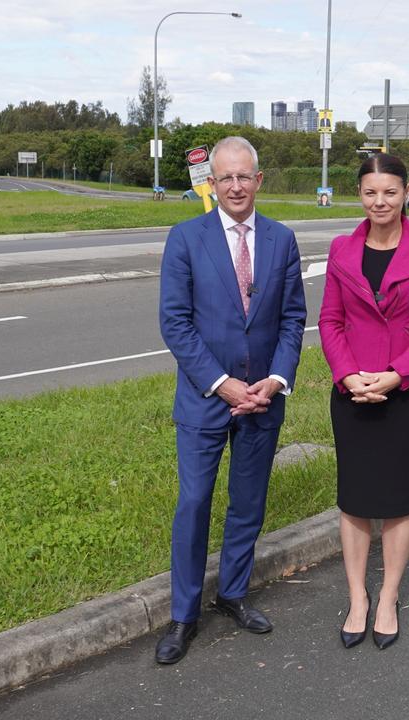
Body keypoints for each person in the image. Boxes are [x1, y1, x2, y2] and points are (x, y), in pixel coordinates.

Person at [155, 136, 307, 664]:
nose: (236, 186)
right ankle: (183, 615)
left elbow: (292, 320)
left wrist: (277, 380)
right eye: (226, 178)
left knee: (248, 504)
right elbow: (175, 323)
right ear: (212, 184)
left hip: (263, 398)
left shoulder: (283, 240)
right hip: (204, 399)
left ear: (259, 180)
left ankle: (234, 593)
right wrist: (221, 383)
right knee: (194, 504)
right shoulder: (185, 238)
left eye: (245, 176)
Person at [318, 153, 409, 650]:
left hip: (405, 393)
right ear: (360, 194)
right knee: (354, 500)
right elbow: (330, 321)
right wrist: (348, 375)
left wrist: (396, 376)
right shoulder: (340, 249)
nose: (380, 201)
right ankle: (357, 597)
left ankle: (389, 597)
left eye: (390, 192)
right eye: (371, 192)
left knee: (396, 501)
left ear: (405, 193)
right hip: (351, 392)